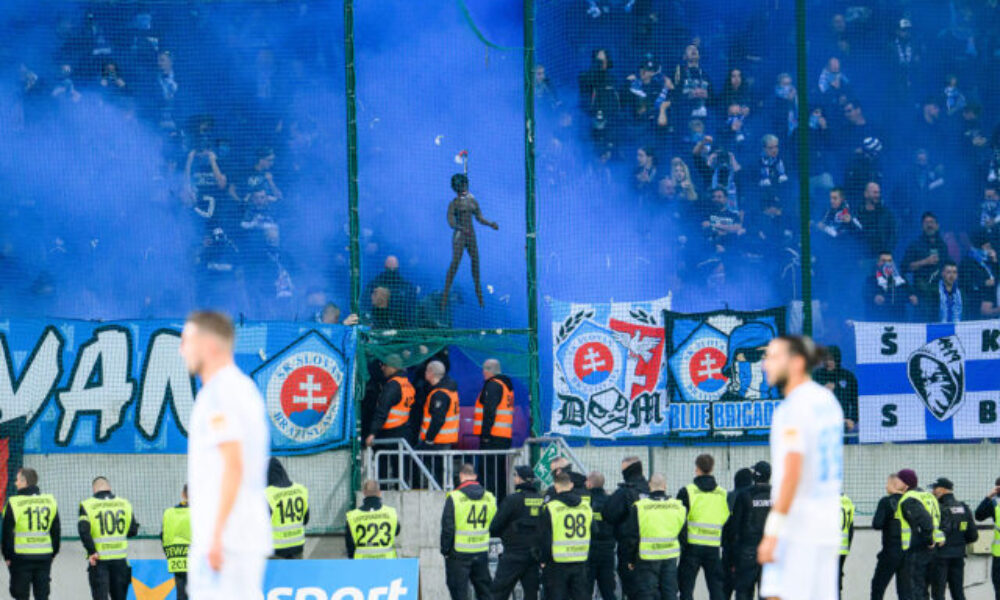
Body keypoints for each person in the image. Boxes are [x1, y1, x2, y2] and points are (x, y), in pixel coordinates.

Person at [181, 311, 272, 600]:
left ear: (209, 345)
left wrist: (217, 535)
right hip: (231, 537)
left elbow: (235, 465)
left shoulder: (223, 393)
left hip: (228, 540)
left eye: (186, 341)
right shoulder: (234, 389)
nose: (181, 349)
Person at [757, 336, 844, 600]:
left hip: (798, 527)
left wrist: (772, 532)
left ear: (796, 362)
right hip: (827, 525)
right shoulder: (828, 402)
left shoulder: (794, 407)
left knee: (776, 594)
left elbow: (793, 472)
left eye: (772, 357)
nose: (764, 365)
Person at [621, 473, 686, 600]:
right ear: (665, 486)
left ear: (649, 486)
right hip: (670, 557)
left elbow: (632, 537)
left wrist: (631, 559)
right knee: (670, 593)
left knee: (646, 594)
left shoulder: (640, 507)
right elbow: (684, 535)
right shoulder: (678, 507)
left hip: (647, 558)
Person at [677, 453, 729, 600]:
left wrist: (683, 543)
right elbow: (727, 521)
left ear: (697, 469)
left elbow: (679, 520)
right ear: (712, 468)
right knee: (716, 588)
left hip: (691, 547)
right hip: (713, 547)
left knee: (686, 588)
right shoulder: (723, 494)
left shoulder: (687, 491)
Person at [2, 468, 60, 600]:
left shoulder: (13, 503)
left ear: (24, 481)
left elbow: (7, 534)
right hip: (44, 557)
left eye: (17, 480)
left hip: (21, 558)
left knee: (20, 594)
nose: (15, 483)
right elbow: (55, 531)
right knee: (42, 595)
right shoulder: (50, 501)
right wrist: (53, 553)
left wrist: (7, 556)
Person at [442, 172, 499, 308]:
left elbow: (479, 218)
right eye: (461, 186)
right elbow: (451, 222)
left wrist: (491, 224)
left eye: (465, 185)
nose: (464, 188)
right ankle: (445, 296)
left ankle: (479, 295)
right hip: (460, 236)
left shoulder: (472, 201)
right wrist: (459, 227)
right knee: (455, 264)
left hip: (470, 235)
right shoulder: (454, 204)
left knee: (475, 263)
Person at [78, 477, 139, 600]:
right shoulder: (124, 504)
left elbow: (83, 531)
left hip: (98, 561)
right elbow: (133, 530)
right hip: (120, 561)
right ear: (109, 487)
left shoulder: (87, 505)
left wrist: (92, 551)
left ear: (94, 489)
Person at [441, 464, 496, 600]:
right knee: (485, 592)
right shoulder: (489, 497)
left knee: (459, 593)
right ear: (475, 476)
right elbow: (495, 523)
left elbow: (448, 527)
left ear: (461, 476)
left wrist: (445, 550)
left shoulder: (454, 497)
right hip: (481, 551)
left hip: (459, 553)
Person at [490, 466, 542, 600]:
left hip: (513, 553)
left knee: (498, 593)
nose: (514, 478)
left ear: (519, 479)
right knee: (531, 594)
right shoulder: (542, 500)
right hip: (534, 555)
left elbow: (495, 526)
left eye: (515, 475)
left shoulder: (512, 500)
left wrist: (505, 535)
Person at [537, 471, 592, 600]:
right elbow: (594, 530)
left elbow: (545, 537)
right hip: (580, 560)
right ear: (571, 485)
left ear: (556, 486)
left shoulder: (550, 508)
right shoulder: (585, 507)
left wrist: (543, 560)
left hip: (557, 563)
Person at [603, 456, 650, 600]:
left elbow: (608, 513)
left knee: (633, 590)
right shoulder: (651, 488)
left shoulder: (625, 492)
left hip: (629, 549)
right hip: (655, 549)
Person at [365, 354, 416, 486]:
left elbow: (381, 411)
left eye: (385, 365)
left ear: (393, 367)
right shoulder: (407, 384)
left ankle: (382, 489)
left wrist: (372, 433)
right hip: (404, 430)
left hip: (390, 434)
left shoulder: (392, 386)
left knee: (383, 468)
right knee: (401, 469)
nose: (382, 368)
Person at [728, 461, 771, 600]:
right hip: (770, 552)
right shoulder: (778, 495)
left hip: (748, 551)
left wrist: (732, 556)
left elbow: (735, 527)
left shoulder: (745, 495)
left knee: (744, 592)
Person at [894, 469, 938, 600]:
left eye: (899, 480)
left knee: (914, 590)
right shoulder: (928, 496)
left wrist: (929, 540)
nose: (895, 482)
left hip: (916, 550)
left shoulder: (909, 499)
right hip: (930, 551)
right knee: (923, 590)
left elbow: (925, 522)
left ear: (906, 483)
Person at [930, 478, 977, 600]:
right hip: (958, 555)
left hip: (940, 556)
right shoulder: (964, 508)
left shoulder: (938, 508)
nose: (933, 492)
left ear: (942, 489)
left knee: (938, 593)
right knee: (958, 592)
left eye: (934, 489)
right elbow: (973, 535)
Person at [871, 474, 911, 600]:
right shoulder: (911, 502)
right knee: (904, 590)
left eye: (887, 483)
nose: (885, 486)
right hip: (908, 552)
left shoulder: (886, 501)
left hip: (890, 551)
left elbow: (877, 524)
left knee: (878, 586)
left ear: (894, 485)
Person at [265, 457, 309, 559]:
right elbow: (305, 519)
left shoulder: (267, 494)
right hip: (298, 547)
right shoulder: (300, 490)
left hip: (275, 549)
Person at [345, 480, 400, 559]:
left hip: (362, 564)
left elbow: (349, 544)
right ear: (379, 493)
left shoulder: (352, 516)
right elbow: (396, 531)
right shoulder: (390, 513)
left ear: (364, 493)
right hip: (387, 563)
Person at [723, 468, 754, 600]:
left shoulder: (729, 496)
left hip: (729, 548)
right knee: (746, 589)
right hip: (746, 548)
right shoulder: (751, 497)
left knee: (725, 587)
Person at [812, 346, 859, 433]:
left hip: (842, 423)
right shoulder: (816, 376)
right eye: (825, 359)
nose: (828, 362)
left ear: (837, 360)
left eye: (831, 359)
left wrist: (852, 420)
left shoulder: (848, 377)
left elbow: (855, 402)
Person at [585, 471, 617, 600]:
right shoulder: (611, 501)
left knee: (585, 590)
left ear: (590, 483)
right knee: (608, 591)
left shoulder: (585, 501)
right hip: (608, 551)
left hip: (590, 550)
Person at [474, 358, 514, 450]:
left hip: (492, 437)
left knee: (488, 464)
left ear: (491, 370)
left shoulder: (493, 385)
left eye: (485, 369)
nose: (483, 372)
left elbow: (489, 411)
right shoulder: (505, 386)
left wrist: (485, 435)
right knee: (500, 464)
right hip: (504, 435)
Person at [420, 360, 460, 449]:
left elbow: (438, 419)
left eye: (426, 371)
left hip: (437, 441)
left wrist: (429, 439)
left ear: (431, 373)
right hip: (445, 440)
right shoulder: (450, 390)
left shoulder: (440, 394)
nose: (425, 373)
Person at [161, 485, 190, 600]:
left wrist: (170, 554)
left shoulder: (169, 513)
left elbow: (163, 536)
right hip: (195, 561)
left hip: (176, 559)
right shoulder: (200, 513)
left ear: (182, 494)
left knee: (181, 594)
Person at [974, 477, 1000, 600]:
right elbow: (978, 516)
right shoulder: (995, 503)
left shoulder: (995, 503)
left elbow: (978, 515)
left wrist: (988, 497)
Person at [839, 494, 855, 598]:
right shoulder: (846, 500)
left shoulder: (826, 501)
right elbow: (850, 529)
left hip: (828, 550)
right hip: (843, 548)